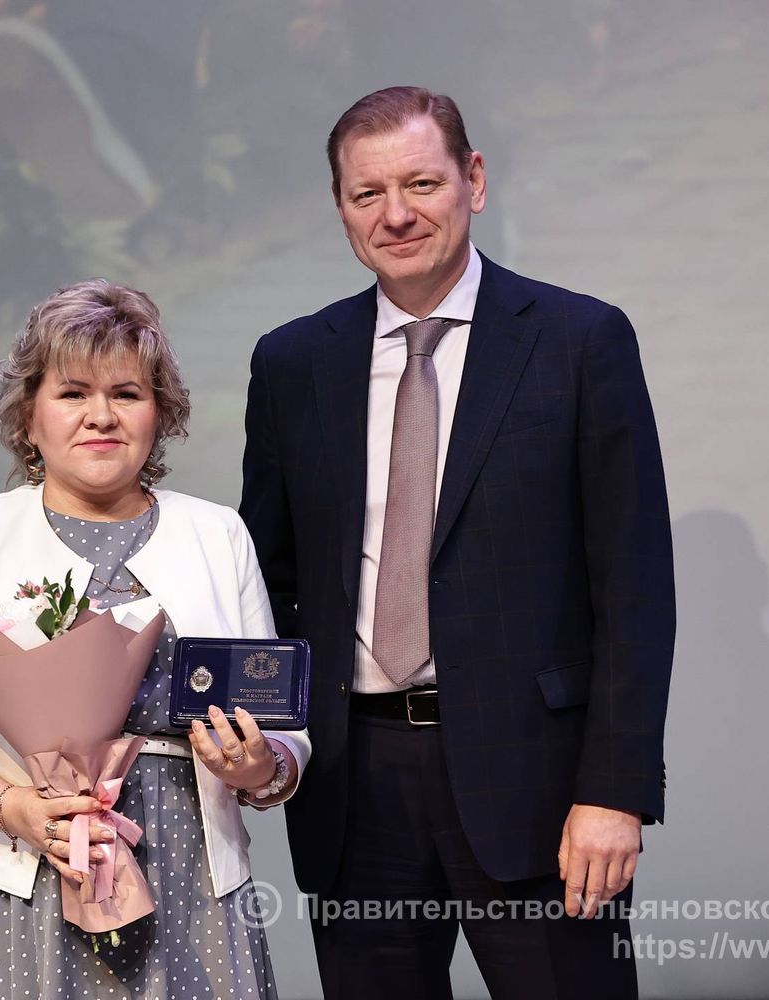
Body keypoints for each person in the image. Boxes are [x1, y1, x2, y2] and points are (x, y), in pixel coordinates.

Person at [239, 86, 674, 998]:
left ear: (473, 180)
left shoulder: (578, 340)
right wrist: (273, 743)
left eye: (421, 183)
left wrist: (616, 789)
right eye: (367, 195)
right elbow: (270, 579)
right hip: (354, 792)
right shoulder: (291, 362)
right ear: (341, 208)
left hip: (542, 788)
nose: (396, 214)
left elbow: (633, 589)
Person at [0, 278, 310, 1000]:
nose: (100, 416)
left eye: (127, 394)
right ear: (29, 417)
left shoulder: (218, 535)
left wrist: (261, 768)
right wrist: (18, 812)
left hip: (193, 875)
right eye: (73, 393)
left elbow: (280, 727)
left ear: (159, 413)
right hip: (32, 876)